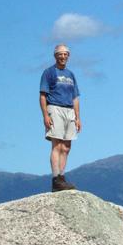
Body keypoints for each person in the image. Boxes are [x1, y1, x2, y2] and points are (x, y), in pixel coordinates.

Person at [39, 44, 81, 192]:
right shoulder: (49, 72)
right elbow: (43, 95)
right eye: (60, 54)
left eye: (65, 54)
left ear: (68, 56)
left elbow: (75, 97)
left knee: (67, 147)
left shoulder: (71, 75)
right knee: (57, 145)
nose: (63, 57)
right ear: (55, 56)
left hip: (69, 110)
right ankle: (56, 179)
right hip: (54, 108)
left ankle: (62, 178)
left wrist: (78, 117)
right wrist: (45, 115)